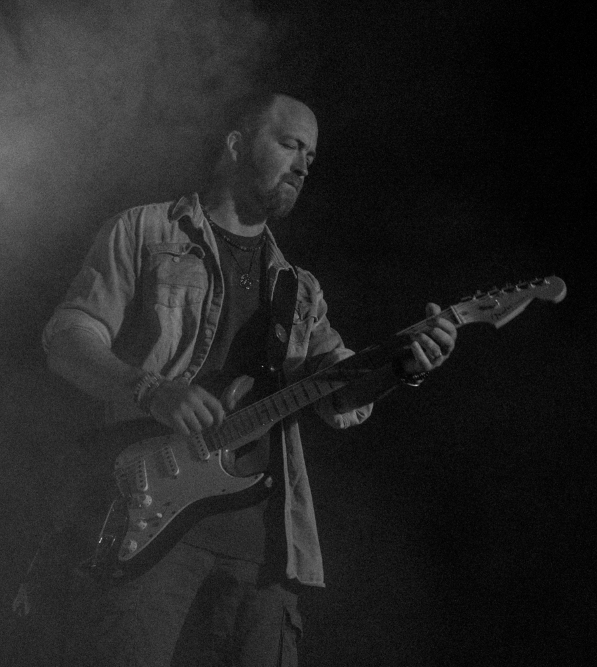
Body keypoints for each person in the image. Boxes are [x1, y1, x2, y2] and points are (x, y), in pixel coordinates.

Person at [41, 92, 456, 667]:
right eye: (290, 145)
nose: (303, 165)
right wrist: (151, 390)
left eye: (311, 156)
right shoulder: (143, 230)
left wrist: (402, 364)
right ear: (236, 146)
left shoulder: (299, 289)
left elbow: (338, 395)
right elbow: (67, 338)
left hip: (264, 555)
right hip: (149, 530)